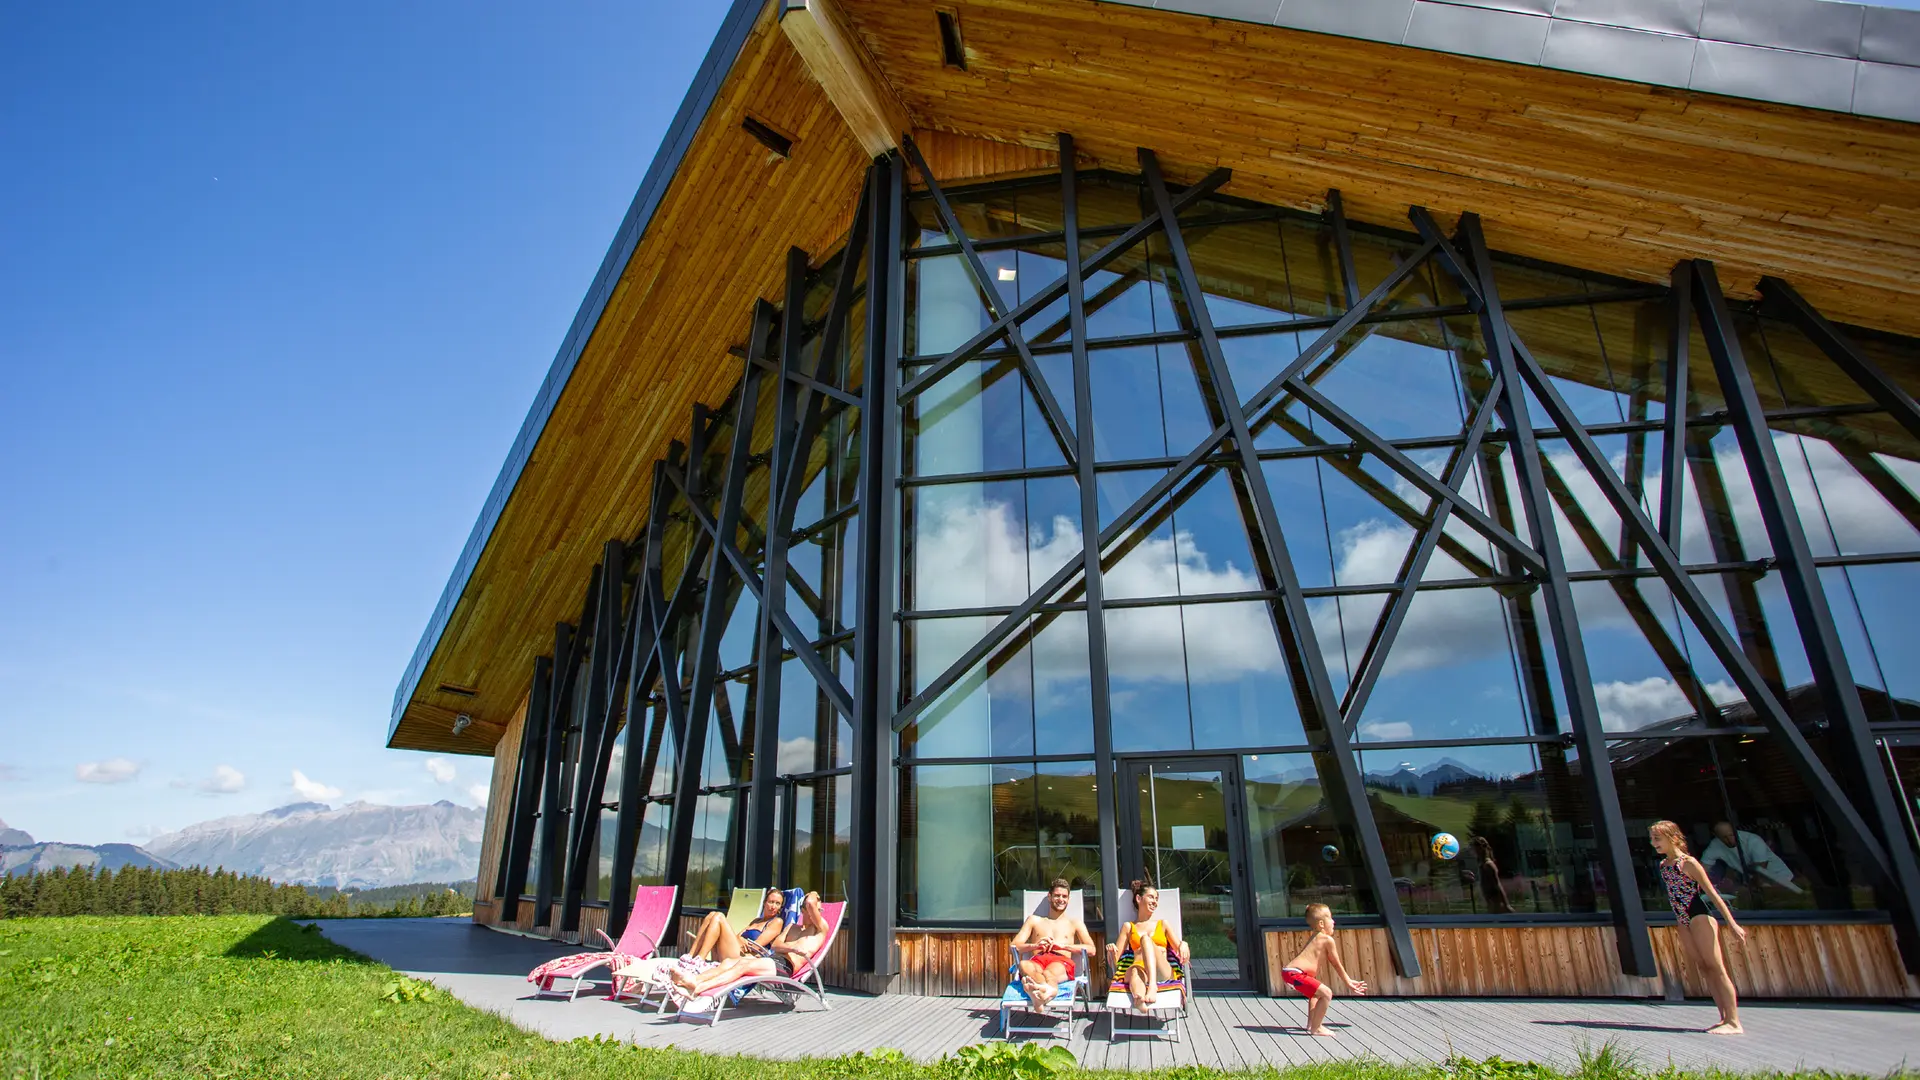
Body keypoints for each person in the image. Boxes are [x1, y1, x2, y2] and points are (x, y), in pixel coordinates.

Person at [1650, 819, 1747, 1035]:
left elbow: (1712, 894)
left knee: (1716, 967)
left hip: (1699, 916)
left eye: (1657, 838)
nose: (1653, 842)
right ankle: (1723, 1017)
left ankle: (1734, 1021)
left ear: (1672, 837)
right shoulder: (1664, 866)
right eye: (1652, 838)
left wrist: (1732, 923)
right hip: (1682, 918)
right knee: (1704, 968)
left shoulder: (1689, 863)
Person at [669, 890, 830, 1013]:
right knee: (729, 962)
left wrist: (814, 895)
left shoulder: (820, 929)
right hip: (773, 959)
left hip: (785, 966)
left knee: (741, 967)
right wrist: (793, 947)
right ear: (802, 911)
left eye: (816, 910)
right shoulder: (792, 927)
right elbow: (776, 946)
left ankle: (698, 989)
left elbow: (809, 902)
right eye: (808, 909)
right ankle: (694, 980)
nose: (813, 912)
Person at [1278, 902, 1367, 1037]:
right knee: (1326, 993)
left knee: (1315, 994)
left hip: (1290, 973)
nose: (1334, 921)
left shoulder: (1315, 936)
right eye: (1330, 918)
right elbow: (1336, 963)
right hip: (1295, 974)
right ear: (1321, 924)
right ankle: (1317, 1028)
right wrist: (1348, 981)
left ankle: (1311, 1024)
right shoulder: (1326, 939)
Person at [1010, 878, 1095, 1009]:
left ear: (1069, 899)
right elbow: (1014, 946)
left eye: (1064, 896)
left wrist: (1063, 946)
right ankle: (1044, 994)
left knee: (1049, 973)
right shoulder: (1034, 920)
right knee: (1023, 964)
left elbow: (1091, 949)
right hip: (1037, 960)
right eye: (1057, 895)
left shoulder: (1074, 923)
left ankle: (1037, 992)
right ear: (1049, 897)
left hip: (1061, 961)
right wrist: (1035, 946)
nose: (1061, 899)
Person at [1105, 879, 1189, 1010]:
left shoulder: (1163, 924)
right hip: (1139, 969)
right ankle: (1139, 998)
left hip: (1162, 971)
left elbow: (1181, 950)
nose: (1155, 901)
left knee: (1145, 939)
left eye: (1156, 898)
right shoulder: (1129, 927)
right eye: (1151, 897)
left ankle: (1152, 986)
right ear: (1138, 898)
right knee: (1133, 971)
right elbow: (1116, 964)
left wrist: (1184, 944)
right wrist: (1111, 952)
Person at [680, 885, 786, 968]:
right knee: (712, 915)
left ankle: (700, 959)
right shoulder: (756, 920)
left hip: (742, 958)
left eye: (777, 903)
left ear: (780, 907)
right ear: (764, 903)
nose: (773, 906)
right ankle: (691, 956)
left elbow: (756, 947)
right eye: (771, 902)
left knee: (719, 916)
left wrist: (742, 941)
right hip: (734, 951)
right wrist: (741, 940)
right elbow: (737, 937)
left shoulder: (777, 922)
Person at [1701, 820, 1802, 894]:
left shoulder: (1753, 841)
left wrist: (1744, 888)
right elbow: (1702, 869)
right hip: (1755, 883)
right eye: (1724, 837)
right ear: (1716, 835)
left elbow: (1760, 869)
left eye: (1731, 835)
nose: (1730, 841)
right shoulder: (1714, 846)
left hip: (1782, 879)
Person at [1471, 836, 1514, 914]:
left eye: (1474, 848)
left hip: (1495, 901)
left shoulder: (1488, 865)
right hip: (1490, 901)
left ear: (1480, 848)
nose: (1473, 851)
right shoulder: (1482, 864)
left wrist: (1506, 905)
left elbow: (1497, 884)